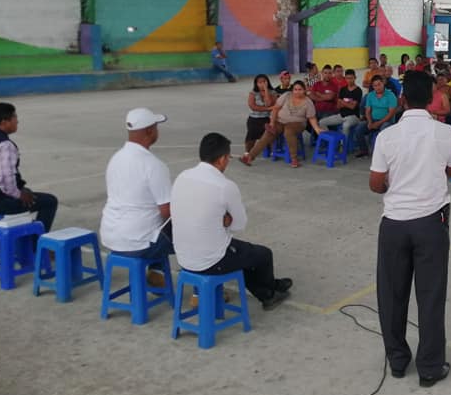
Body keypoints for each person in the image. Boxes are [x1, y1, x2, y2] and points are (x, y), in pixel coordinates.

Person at [370, 71, 451, 387]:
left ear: (402, 98)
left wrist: (395, 184)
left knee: (391, 294)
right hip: (431, 222)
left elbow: (376, 183)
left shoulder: (387, 137)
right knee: (431, 295)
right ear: (432, 98)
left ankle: (397, 360)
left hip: (394, 223)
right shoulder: (445, 132)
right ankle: (430, 367)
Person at [172, 132, 292, 311]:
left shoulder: (182, 176)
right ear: (222, 159)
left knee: (242, 253)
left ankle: (271, 286)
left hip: (183, 256)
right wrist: (225, 221)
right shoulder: (225, 186)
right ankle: (268, 294)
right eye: (228, 158)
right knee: (263, 254)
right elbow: (239, 224)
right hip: (209, 260)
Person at [100, 108, 173, 286]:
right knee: (191, 235)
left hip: (111, 236)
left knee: (155, 225)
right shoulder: (154, 165)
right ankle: (200, 292)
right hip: (138, 243)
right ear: (149, 131)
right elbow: (167, 212)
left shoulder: (116, 158)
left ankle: (156, 273)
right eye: (156, 127)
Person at [0, 102, 58, 230]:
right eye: (14, 117)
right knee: (49, 201)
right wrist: (20, 195)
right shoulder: (5, 145)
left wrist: (21, 190)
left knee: (26, 191)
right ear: (4, 122)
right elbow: (6, 181)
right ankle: (37, 240)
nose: (17, 121)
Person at [240, 81, 323, 167]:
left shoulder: (308, 102)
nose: (297, 92)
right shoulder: (286, 96)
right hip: (280, 121)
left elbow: (311, 118)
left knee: (289, 131)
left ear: (304, 90)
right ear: (292, 90)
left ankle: (294, 159)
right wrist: (272, 123)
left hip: (298, 123)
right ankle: (250, 157)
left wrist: (317, 129)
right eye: (295, 89)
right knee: (268, 134)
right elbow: (276, 109)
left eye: (300, 89)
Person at [353, 75, 399, 156]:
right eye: (375, 85)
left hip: (387, 121)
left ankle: (382, 153)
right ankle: (364, 150)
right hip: (373, 120)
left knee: (383, 129)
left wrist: (378, 123)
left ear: (383, 83)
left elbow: (391, 113)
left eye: (379, 84)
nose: (377, 87)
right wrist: (370, 122)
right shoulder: (370, 95)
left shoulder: (391, 95)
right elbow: (368, 111)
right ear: (372, 86)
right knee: (359, 128)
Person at [325, 69, 363, 138]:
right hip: (341, 115)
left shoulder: (358, 90)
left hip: (354, 116)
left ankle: (344, 144)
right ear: (345, 78)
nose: (349, 80)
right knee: (322, 122)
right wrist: (348, 103)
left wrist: (342, 102)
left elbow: (352, 107)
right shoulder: (343, 89)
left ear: (355, 78)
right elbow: (338, 106)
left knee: (345, 126)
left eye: (351, 78)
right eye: (347, 78)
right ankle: (330, 139)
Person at [245, 74, 276, 154]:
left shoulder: (272, 92)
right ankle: (248, 152)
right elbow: (253, 106)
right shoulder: (253, 93)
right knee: (251, 133)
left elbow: (268, 103)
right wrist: (268, 109)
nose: (262, 84)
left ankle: (270, 149)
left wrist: (266, 90)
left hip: (267, 118)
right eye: (260, 82)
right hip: (254, 118)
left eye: (264, 82)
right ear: (256, 84)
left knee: (268, 133)